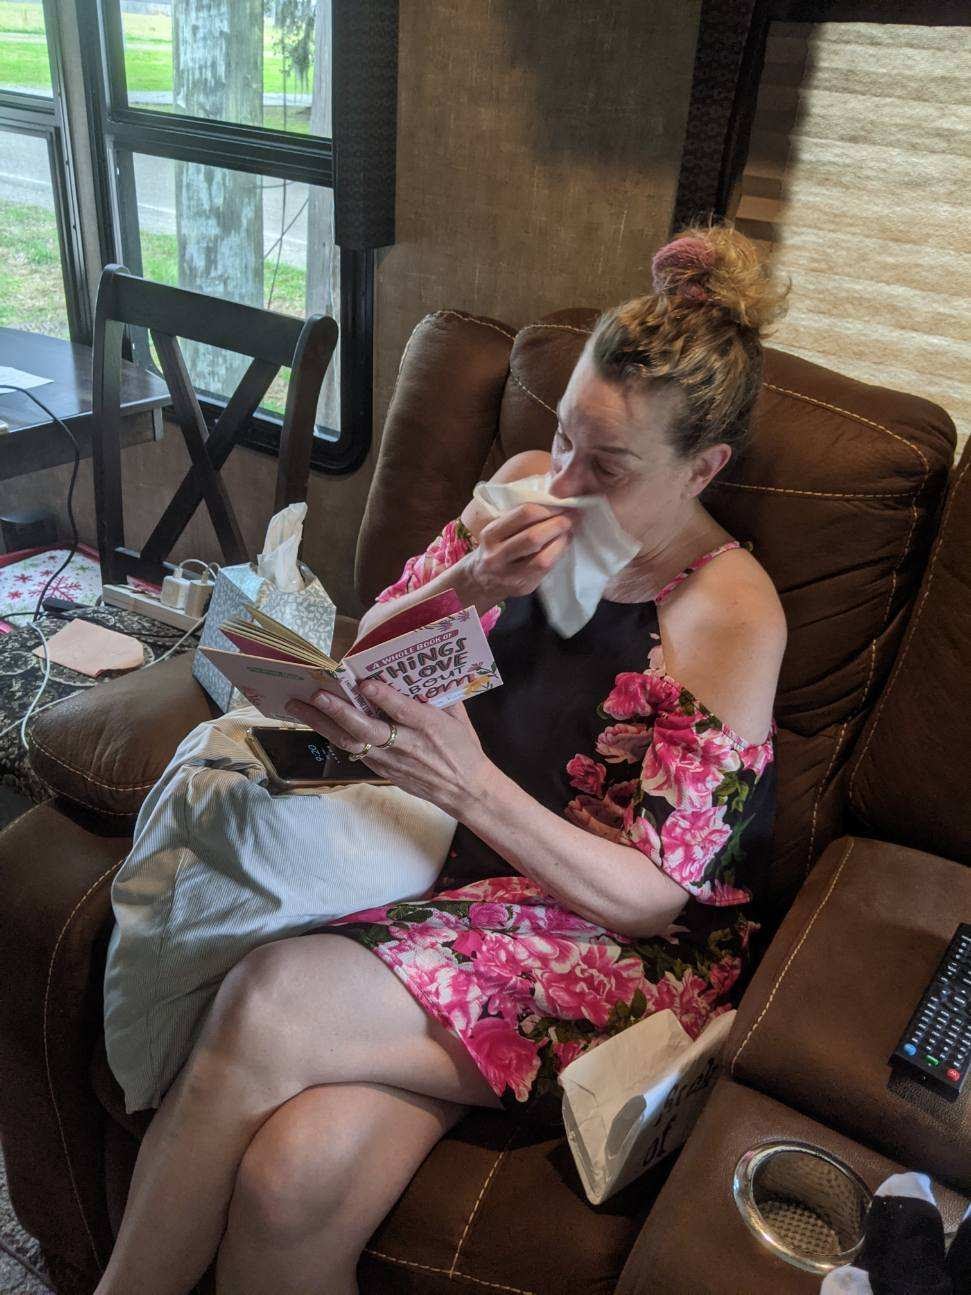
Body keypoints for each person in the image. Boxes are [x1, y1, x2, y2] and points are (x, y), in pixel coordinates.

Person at [94, 219, 790, 1295]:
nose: (565, 480)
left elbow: (654, 897)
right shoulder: (523, 487)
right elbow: (367, 649)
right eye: (563, 436)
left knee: (269, 998)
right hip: (448, 865)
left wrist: (464, 782)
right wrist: (467, 586)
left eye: (607, 466)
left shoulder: (725, 615)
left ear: (702, 468)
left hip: (609, 936)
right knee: (295, 1176)